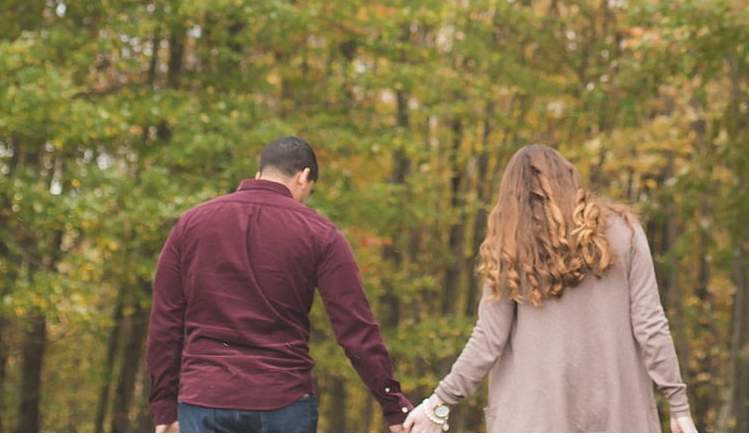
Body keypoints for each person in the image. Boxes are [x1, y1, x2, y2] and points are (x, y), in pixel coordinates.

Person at [407, 145, 697, 434]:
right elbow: (650, 323)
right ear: (569, 177)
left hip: (533, 421)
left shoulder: (510, 247)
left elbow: (488, 339)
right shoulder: (624, 231)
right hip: (617, 418)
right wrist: (678, 404)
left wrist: (439, 404)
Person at [148, 136, 412, 434]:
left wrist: (164, 405)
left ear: (259, 173)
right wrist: (394, 406)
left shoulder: (190, 224)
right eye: (309, 192)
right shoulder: (321, 233)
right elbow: (356, 330)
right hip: (283, 401)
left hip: (204, 400)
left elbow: (165, 322)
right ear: (305, 177)